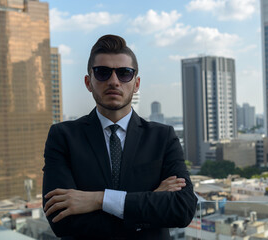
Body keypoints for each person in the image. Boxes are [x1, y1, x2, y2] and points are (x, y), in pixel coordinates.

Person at [42, 34, 197, 240]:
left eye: (124, 73)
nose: (114, 81)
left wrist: (99, 199)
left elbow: (182, 209)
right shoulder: (63, 137)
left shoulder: (163, 137)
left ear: (136, 83)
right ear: (89, 82)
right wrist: (150, 201)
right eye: (102, 72)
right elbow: (62, 222)